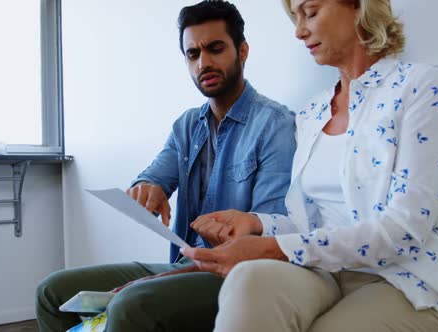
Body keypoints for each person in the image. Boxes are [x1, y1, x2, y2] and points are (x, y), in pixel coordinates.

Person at [182, 0, 438, 331]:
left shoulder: (420, 87)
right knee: (248, 279)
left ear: (357, 6)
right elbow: (309, 225)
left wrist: (273, 246)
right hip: (326, 275)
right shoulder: (312, 113)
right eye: (295, 18)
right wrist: (257, 225)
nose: (299, 31)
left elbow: (404, 231)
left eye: (310, 13)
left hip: (411, 284)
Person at [35, 1, 296, 331]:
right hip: (184, 265)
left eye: (216, 49)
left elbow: (266, 237)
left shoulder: (276, 125)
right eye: (193, 54)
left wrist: (150, 282)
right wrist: (149, 188)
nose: (204, 63)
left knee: (132, 302)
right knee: (52, 291)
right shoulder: (187, 125)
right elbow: (156, 175)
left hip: (236, 274)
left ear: (242, 51)